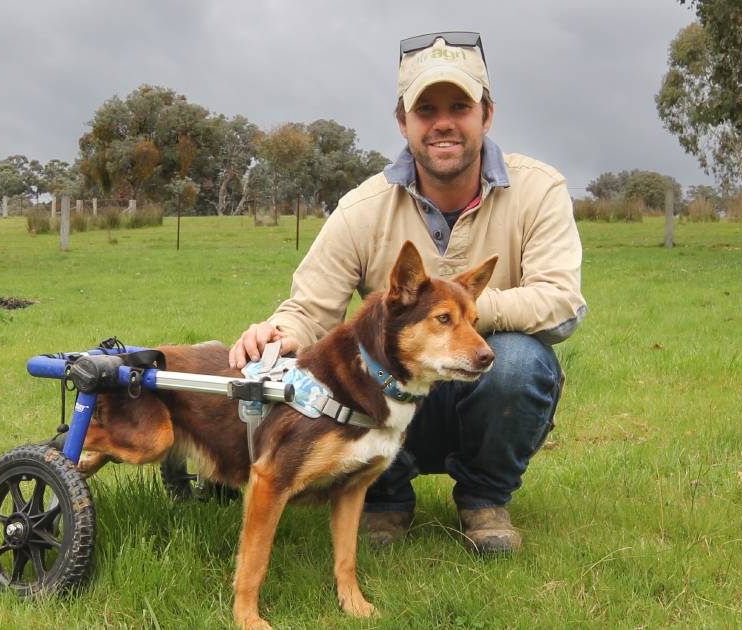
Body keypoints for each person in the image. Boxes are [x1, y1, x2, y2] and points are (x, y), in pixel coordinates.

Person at [229, 31, 586, 554]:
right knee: (352, 360)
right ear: (403, 122)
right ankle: (383, 501)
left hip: (483, 391)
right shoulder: (363, 208)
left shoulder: (539, 190)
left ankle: (485, 501)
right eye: (426, 109)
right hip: (390, 395)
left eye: (459, 106)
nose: (443, 122)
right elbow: (310, 308)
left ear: (487, 115)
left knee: (519, 363)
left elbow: (560, 303)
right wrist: (276, 334)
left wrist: (455, 318)